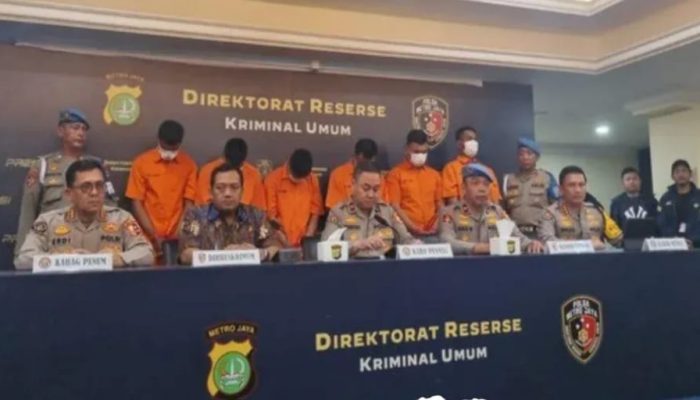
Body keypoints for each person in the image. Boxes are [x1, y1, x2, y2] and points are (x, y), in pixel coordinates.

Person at [15, 159, 154, 269]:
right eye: (86, 187)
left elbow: (146, 253)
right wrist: (64, 260)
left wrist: (109, 260)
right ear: (69, 194)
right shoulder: (48, 221)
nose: (94, 192)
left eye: (99, 185)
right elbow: (23, 259)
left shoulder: (122, 218)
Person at [15, 108, 117, 256]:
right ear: (60, 131)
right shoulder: (44, 165)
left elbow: (111, 209)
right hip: (54, 247)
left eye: (84, 129)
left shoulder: (98, 166)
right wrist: (22, 252)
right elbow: (28, 212)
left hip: (92, 246)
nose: (80, 133)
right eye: (75, 128)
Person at [179, 163, 286, 264]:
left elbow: (275, 248)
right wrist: (227, 256)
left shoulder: (256, 215)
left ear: (242, 191)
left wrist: (256, 254)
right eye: (220, 188)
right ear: (210, 192)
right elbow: (186, 254)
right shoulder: (196, 215)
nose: (228, 193)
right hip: (210, 276)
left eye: (234, 187)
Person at [126, 120, 197, 259]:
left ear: (180, 143)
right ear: (159, 139)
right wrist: (154, 235)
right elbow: (136, 202)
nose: (169, 152)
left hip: (178, 237)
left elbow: (189, 204)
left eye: (173, 148)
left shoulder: (189, 165)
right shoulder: (141, 163)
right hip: (147, 237)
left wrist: (177, 236)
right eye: (166, 147)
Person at [439, 163, 543, 255]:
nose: (482, 189)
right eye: (475, 183)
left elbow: (518, 237)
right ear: (463, 187)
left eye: (486, 184)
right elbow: (446, 241)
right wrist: (477, 248)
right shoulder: (449, 213)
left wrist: (531, 243)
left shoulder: (497, 211)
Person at [322, 161, 416, 258]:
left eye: (376, 189)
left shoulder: (387, 211)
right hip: (352, 265)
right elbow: (326, 248)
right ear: (353, 184)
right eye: (366, 188)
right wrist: (357, 245)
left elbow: (406, 239)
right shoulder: (339, 212)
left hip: (384, 265)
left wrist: (415, 245)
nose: (371, 195)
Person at [539, 166, 623, 249]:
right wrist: (587, 245)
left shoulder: (597, 211)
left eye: (581, 185)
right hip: (565, 258)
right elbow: (547, 243)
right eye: (571, 185)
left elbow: (619, 240)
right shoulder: (550, 213)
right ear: (561, 189)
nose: (578, 190)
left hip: (595, 258)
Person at [385, 130, 442, 241]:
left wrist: (436, 224)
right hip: (406, 233)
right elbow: (395, 206)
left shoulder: (435, 175)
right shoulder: (395, 174)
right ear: (406, 149)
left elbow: (440, 205)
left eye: (424, 152)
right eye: (416, 152)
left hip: (433, 233)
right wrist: (412, 227)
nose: (421, 155)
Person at [264, 148, 323, 247]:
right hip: (279, 241)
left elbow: (315, 212)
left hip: (304, 241)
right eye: (294, 176)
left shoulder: (312, 180)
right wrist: (286, 244)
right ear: (289, 164)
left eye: (300, 178)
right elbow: (271, 217)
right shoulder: (272, 180)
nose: (296, 180)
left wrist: (307, 238)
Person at [502, 137, 558, 239]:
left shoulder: (547, 177)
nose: (525, 157)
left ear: (537, 157)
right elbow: (503, 209)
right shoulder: (508, 179)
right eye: (521, 154)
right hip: (515, 234)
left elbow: (557, 206)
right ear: (517, 157)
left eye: (529, 153)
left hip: (540, 233)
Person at [195, 138, 266, 210]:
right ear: (224, 156)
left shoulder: (254, 174)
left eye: (238, 166)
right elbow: (202, 205)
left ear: (243, 160)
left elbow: (259, 208)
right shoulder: (207, 171)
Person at [441, 126, 501, 205]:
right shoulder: (451, 168)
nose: (474, 143)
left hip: (487, 212)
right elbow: (453, 204)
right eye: (469, 139)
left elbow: (496, 203)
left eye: (475, 139)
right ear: (459, 144)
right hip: (463, 212)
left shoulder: (487, 170)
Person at [325, 138, 387, 209]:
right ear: (358, 155)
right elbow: (333, 206)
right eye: (366, 159)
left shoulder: (378, 177)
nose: (368, 163)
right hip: (346, 214)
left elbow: (384, 205)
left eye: (371, 159)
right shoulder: (338, 174)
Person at [658, 159, 700, 247]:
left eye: (684, 171)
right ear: (672, 176)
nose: (681, 174)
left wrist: (694, 241)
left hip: (697, 247)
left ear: (690, 174)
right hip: (672, 247)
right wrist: (674, 241)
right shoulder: (666, 198)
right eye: (677, 172)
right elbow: (661, 224)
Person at [610, 167, 658, 232]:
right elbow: (614, 227)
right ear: (623, 183)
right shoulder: (616, 203)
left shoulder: (651, 201)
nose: (632, 182)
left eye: (635, 178)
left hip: (648, 237)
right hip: (625, 238)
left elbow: (657, 224)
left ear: (640, 181)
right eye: (628, 179)